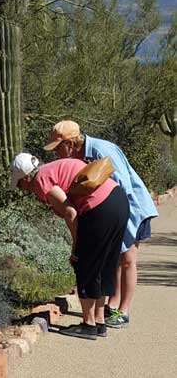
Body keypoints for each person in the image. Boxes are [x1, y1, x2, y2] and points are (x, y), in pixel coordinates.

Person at [44, 120, 159, 328]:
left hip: (133, 209)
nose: (57, 153)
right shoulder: (81, 156)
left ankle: (123, 311)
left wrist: (118, 220)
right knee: (114, 259)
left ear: (70, 143)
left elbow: (123, 186)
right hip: (118, 212)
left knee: (128, 259)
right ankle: (112, 306)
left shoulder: (100, 150)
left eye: (58, 148)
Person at [10, 152, 130, 340]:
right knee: (104, 265)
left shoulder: (41, 180)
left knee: (85, 265)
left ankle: (88, 324)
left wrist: (76, 247)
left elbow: (71, 212)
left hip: (99, 208)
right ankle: (99, 322)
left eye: (20, 183)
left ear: (25, 177)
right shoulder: (53, 167)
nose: (22, 188)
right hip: (118, 200)